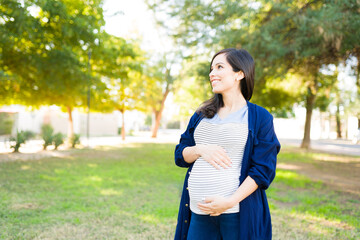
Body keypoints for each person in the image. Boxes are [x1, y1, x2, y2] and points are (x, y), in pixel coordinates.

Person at [174, 48, 281, 240]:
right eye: (211, 68)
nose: (212, 73)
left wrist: (229, 201)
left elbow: (263, 170)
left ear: (240, 73)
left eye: (219, 67)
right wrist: (200, 150)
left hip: (237, 214)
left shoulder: (259, 117)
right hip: (199, 213)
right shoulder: (201, 114)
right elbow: (180, 154)